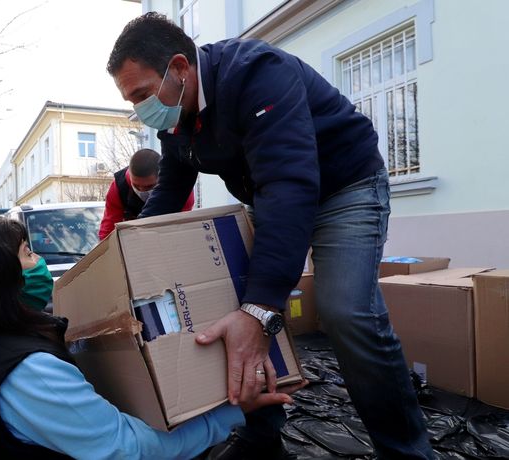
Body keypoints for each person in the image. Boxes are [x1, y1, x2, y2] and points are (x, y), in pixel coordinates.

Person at [107, 13, 434, 459]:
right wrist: (123, 252)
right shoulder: (175, 115)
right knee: (223, 306)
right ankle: (260, 435)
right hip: (273, 194)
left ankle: (406, 452)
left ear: (180, 68)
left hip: (345, 188)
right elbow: (171, 188)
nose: (142, 110)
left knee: (346, 311)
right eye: (132, 101)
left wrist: (261, 309)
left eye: (143, 94)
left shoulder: (258, 73)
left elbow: (289, 185)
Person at [0, 216, 295, 459]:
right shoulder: (29, 371)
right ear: (0, 279)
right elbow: (128, 450)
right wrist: (231, 413)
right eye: (27, 253)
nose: (39, 263)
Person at [98, 148, 195, 239]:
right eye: (136, 185)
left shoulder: (180, 187)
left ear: (161, 177)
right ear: (130, 175)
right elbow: (108, 230)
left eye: (149, 186)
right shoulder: (119, 187)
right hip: (131, 239)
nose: (141, 190)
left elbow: (182, 227)